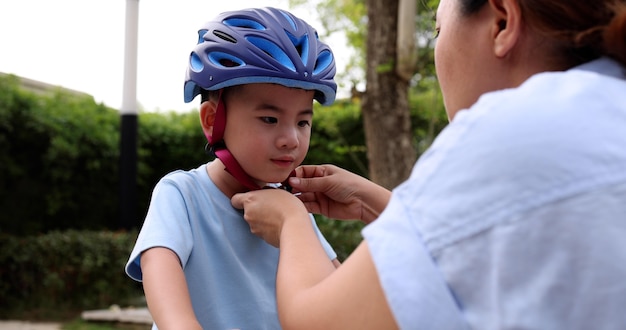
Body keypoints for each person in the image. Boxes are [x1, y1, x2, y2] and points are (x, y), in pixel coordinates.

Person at [231, 0, 626, 328]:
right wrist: (381, 205)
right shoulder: (600, 109)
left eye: (437, 31)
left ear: (502, 21)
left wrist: (291, 222)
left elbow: (320, 321)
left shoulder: (518, 130)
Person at [125, 7, 341, 330]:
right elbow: (164, 285)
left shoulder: (294, 212)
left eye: (303, 121)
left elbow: (340, 295)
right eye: (270, 119)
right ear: (213, 121)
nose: (291, 139)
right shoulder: (182, 195)